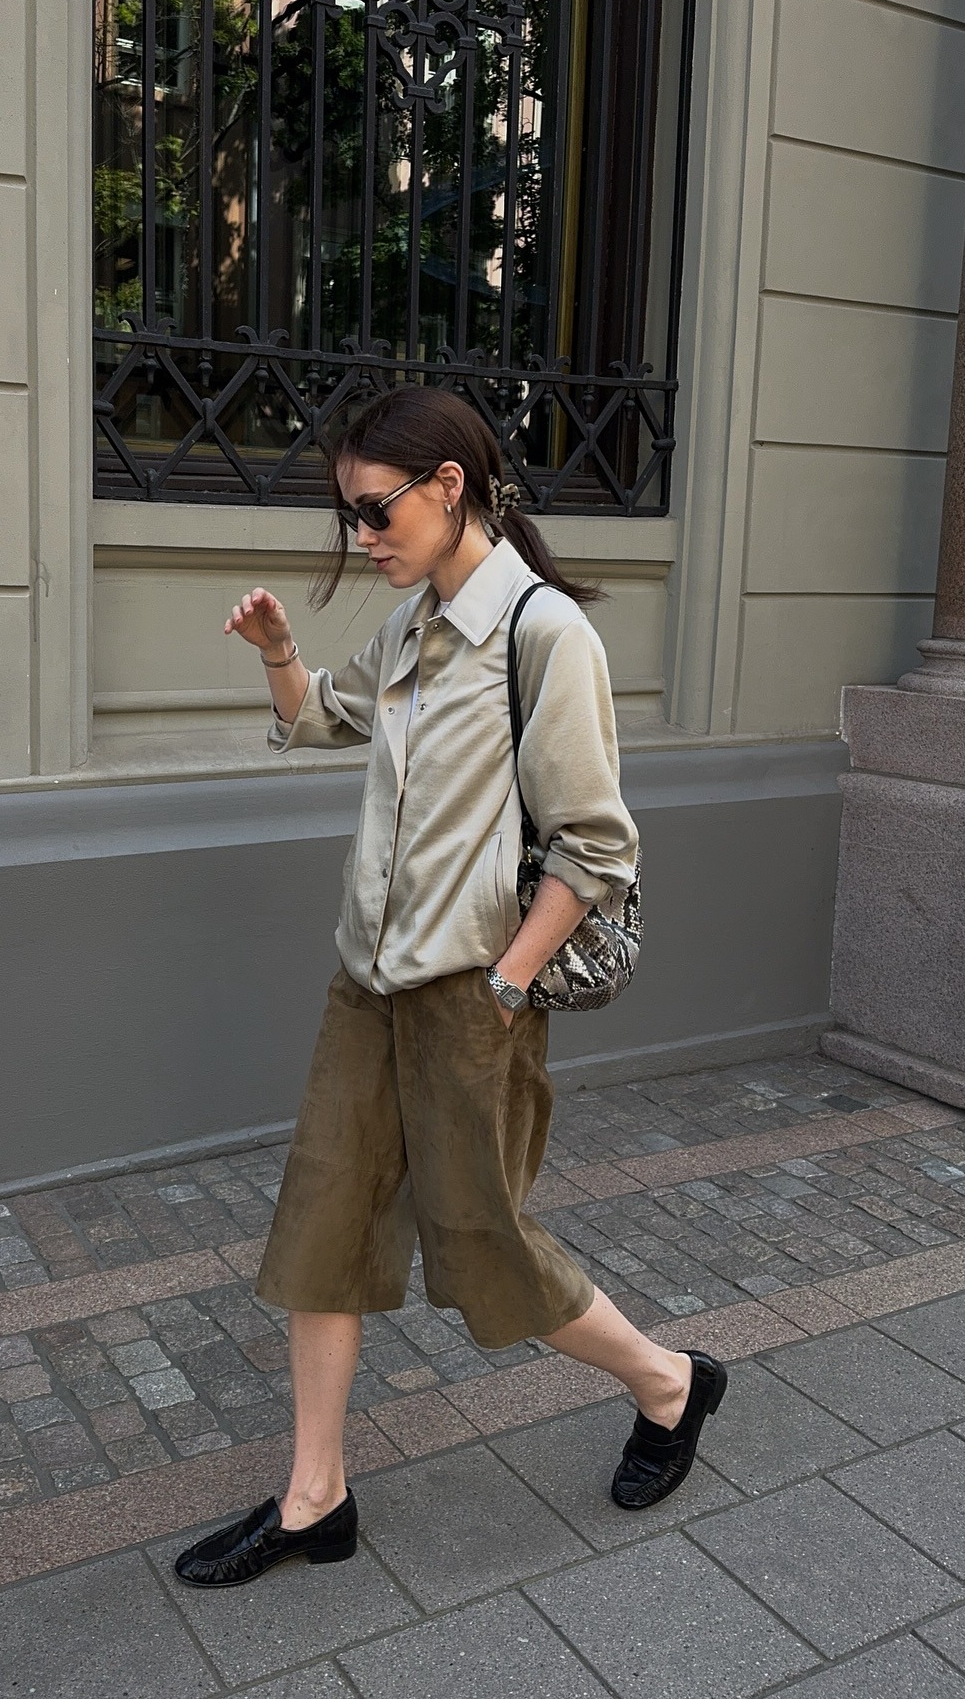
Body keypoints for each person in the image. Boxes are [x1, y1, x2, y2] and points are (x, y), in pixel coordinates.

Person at [174, 387, 726, 1590]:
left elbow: (595, 846)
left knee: (483, 1243)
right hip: (366, 987)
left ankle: (670, 1384)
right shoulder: (412, 625)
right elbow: (322, 720)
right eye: (350, 515)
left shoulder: (543, 636)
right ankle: (315, 1497)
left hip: (474, 993)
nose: (363, 535)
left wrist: (510, 984)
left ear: (449, 487)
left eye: (377, 510)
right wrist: (279, 656)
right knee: (324, 1225)